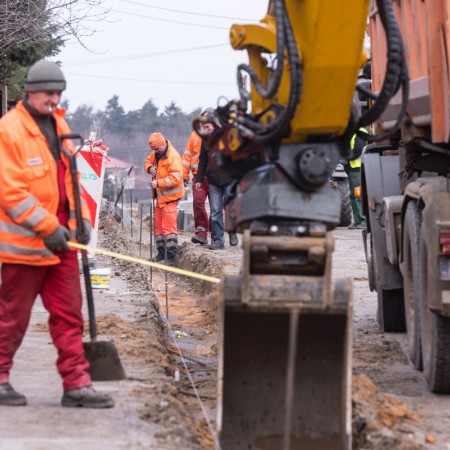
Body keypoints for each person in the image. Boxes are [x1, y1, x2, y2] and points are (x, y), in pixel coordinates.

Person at [0, 59, 114, 408]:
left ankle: (77, 383)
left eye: (58, 93)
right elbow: (11, 192)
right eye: (49, 93)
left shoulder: (60, 124)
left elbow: (69, 179)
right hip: (25, 245)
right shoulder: (10, 130)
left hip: (63, 240)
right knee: (12, 317)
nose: (54, 99)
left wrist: (79, 219)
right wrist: (48, 227)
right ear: (31, 92)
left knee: (69, 314)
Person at [196, 115, 238, 250]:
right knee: (215, 211)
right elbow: (202, 159)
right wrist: (199, 179)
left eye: (207, 127)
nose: (205, 129)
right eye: (203, 128)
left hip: (229, 179)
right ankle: (218, 240)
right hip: (213, 180)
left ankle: (232, 231)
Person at [144, 132, 184, 264]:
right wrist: (149, 168)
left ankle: (171, 258)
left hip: (170, 198)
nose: (154, 151)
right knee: (160, 228)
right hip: (160, 198)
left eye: (156, 148)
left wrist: (158, 183)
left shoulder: (173, 157)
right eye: (153, 149)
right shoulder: (156, 153)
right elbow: (147, 161)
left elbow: (176, 178)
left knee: (169, 229)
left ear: (162, 143)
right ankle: (161, 255)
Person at [182, 108, 214, 246]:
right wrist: (184, 175)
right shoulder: (194, 135)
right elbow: (187, 156)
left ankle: (216, 233)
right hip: (198, 177)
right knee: (198, 202)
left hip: (215, 177)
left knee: (216, 207)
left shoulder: (218, 134)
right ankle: (201, 233)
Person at [345, 128, 369, 229]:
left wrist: (346, 158)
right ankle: (357, 220)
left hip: (358, 168)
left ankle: (364, 220)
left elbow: (358, 150)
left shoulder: (360, 131)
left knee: (359, 195)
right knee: (352, 195)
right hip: (352, 168)